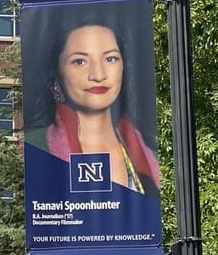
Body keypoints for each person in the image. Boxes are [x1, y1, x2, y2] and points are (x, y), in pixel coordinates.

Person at [23, 13, 159, 196]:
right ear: (57, 72)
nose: (97, 74)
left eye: (110, 58)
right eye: (80, 61)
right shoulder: (36, 147)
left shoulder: (150, 150)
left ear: (123, 66)